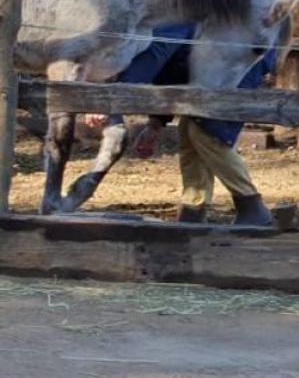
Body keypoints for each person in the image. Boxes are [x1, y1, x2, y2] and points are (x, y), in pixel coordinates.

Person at [86, 23, 275, 226]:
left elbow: (155, 57)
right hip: (208, 70)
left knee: (206, 133)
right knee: (191, 131)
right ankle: (193, 210)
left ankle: (251, 205)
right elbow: (168, 72)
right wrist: (155, 123)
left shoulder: (163, 24)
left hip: (236, 64)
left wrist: (112, 102)